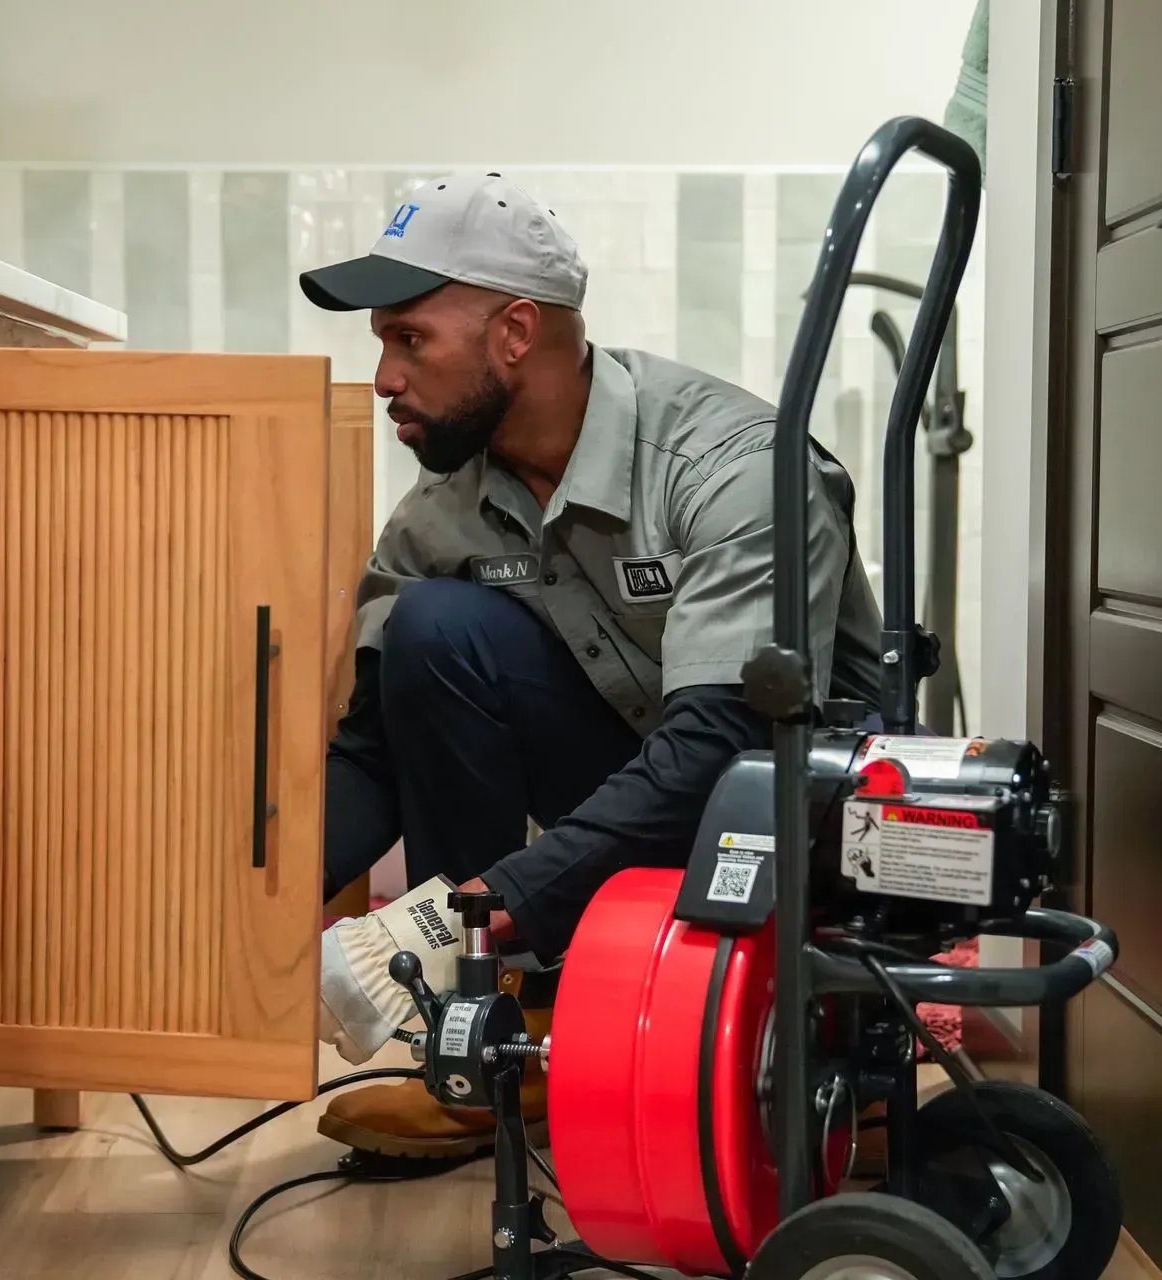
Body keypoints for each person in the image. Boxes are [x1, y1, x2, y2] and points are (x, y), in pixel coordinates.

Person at [302, 171, 884, 1160]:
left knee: (726, 762)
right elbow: (370, 754)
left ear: (515, 333)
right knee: (432, 629)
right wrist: (236, 901)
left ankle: (830, 1059)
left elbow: (728, 739)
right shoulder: (444, 513)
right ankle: (496, 1050)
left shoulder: (728, 462)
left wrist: (467, 914)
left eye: (409, 339)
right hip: (648, 781)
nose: (383, 378)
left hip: (796, 803)